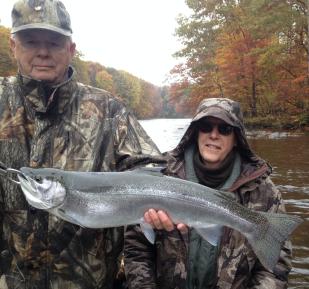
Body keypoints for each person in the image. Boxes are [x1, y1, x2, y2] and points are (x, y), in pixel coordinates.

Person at [0, 0, 165, 288]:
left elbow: (152, 167)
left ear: (71, 50)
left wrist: (156, 209)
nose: (42, 51)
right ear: (13, 46)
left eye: (54, 42)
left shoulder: (108, 109)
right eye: (30, 41)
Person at [124, 98, 293, 289]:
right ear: (195, 132)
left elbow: (275, 267)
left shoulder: (263, 191)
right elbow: (136, 251)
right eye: (206, 126)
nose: (214, 135)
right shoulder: (159, 178)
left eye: (225, 129)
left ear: (237, 138)